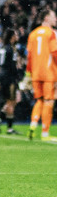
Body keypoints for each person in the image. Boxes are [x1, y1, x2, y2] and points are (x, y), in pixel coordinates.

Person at [26, 9, 57, 140]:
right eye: (53, 16)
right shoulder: (51, 33)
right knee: (49, 101)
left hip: (36, 73)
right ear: (46, 18)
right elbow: (55, 52)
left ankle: (33, 125)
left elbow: (29, 56)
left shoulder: (32, 34)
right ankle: (45, 133)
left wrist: (28, 74)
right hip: (49, 72)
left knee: (40, 100)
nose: (55, 19)